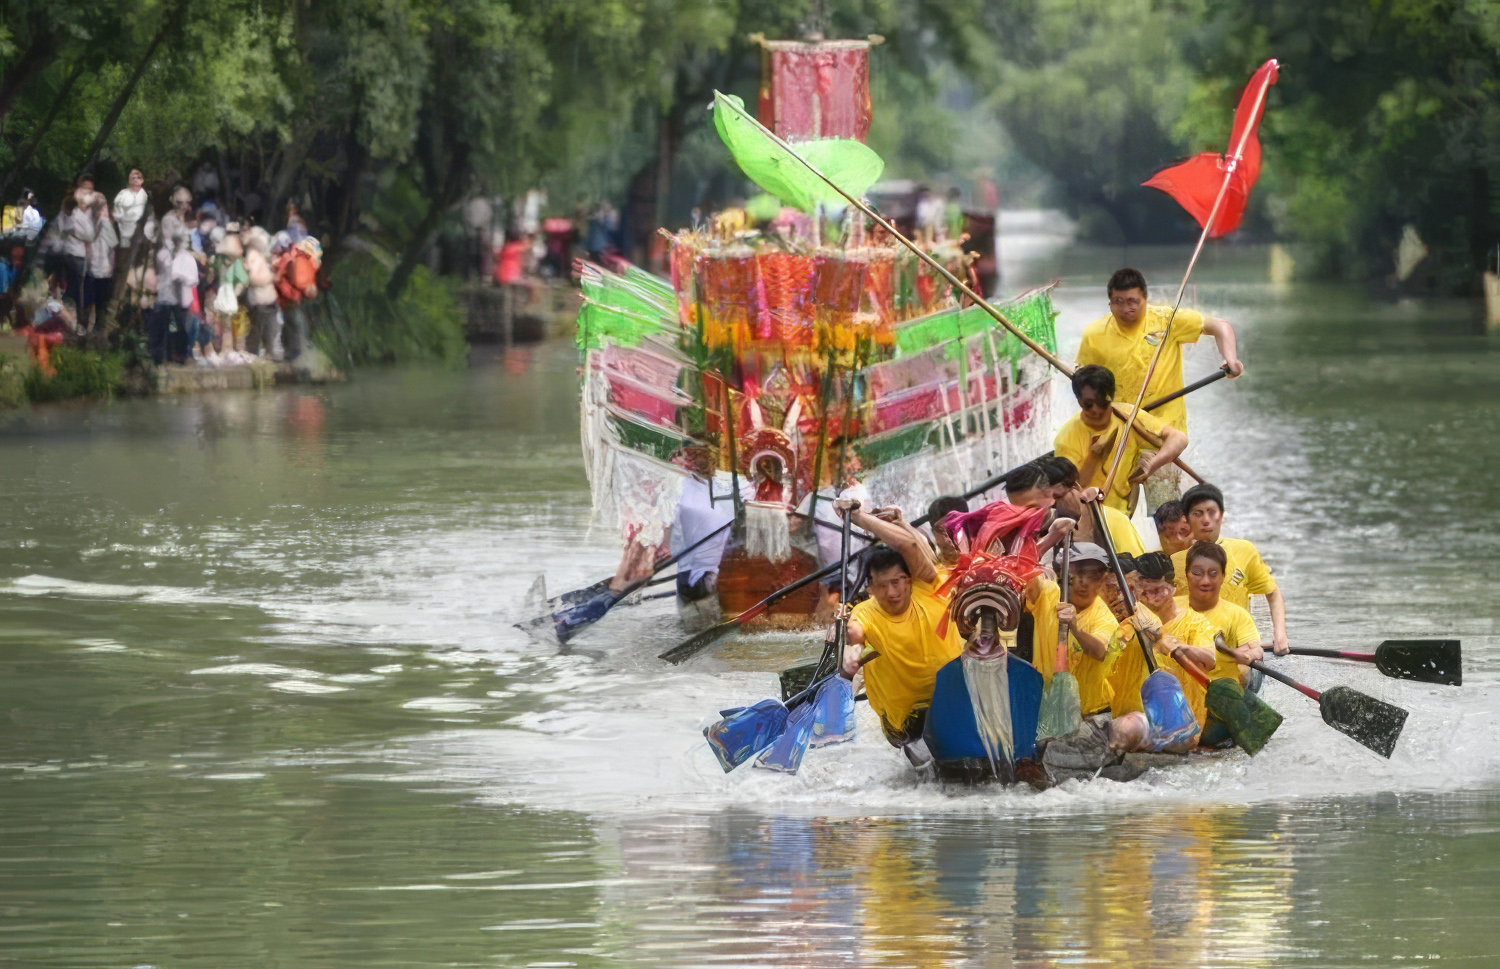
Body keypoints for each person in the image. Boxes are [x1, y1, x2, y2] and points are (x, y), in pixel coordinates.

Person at [1076, 268, 1243, 509]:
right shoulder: (1094, 334)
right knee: (1111, 509)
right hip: (1120, 432)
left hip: (1163, 438)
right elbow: (1085, 384)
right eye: (1118, 302)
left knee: (1164, 510)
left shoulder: (1166, 320)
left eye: (1133, 301)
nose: (1126, 308)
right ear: (1110, 303)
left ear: (1145, 299)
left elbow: (1220, 326)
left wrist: (1231, 359)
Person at [837, 498, 957, 758]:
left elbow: (909, 546)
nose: (892, 593)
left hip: (953, 702)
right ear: (870, 588)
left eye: (897, 582)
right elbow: (856, 636)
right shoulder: (864, 612)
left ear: (910, 579)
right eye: (882, 585)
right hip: (903, 721)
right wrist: (851, 655)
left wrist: (859, 517)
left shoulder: (931, 588)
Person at [1107, 551, 1216, 750]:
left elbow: (1209, 660)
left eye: (1158, 590)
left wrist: (1179, 646)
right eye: (1144, 591)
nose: (1151, 598)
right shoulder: (1130, 619)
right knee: (1128, 726)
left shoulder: (1195, 622)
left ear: (1174, 587)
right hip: (1134, 716)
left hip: (1180, 722)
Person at [1168, 483, 1288, 655]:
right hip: (1192, 655)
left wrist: (1280, 635)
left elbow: (1273, 593)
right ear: (1186, 519)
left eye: (1212, 512)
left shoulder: (1245, 551)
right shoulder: (1174, 562)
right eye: (1197, 513)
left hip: (1237, 651)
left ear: (1222, 515)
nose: (1206, 520)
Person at [1054, 364, 1188, 513]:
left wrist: (1151, 465)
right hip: (1088, 512)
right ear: (1079, 401)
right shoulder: (1067, 437)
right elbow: (1068, 490)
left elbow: (1179, 439)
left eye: (1102, 403)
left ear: (1111, 397)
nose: (1097, 410)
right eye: (1089, 404)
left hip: (1122, 512)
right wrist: (1095, 455)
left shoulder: (1127, 415)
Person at [1179, 540, 1265, 686]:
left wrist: (1248, 655)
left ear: (1223, 576)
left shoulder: (1238, 615)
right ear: (1187, 574)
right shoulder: (1168, 608)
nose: (1205, 581)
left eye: (1213, 574)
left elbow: (1256, 650)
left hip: (1219, 690)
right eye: (1197, 573)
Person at [1043, 457, 1146, 558]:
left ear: (1076, 487)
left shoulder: (1113, 519)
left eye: (1057, 497)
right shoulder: (1049, 527)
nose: (1052, 504)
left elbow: (1138, 563)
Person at [242, 226, 281, 360]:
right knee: (258, 328)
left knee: (270, 327)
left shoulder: (259, 254)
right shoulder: (252, 255)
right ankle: (252, 354)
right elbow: (253, 279)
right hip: (259, 299)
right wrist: (271, 278)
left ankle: (269, 352)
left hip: (268, 298)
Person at [81, 192, 117, 333]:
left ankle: (94, 333)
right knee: (88, 304)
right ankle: (86, 331)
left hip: (102, 272)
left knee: (98, 306)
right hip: (92, 271)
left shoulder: (104, 224)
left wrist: (111, 267)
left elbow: (112, 249)